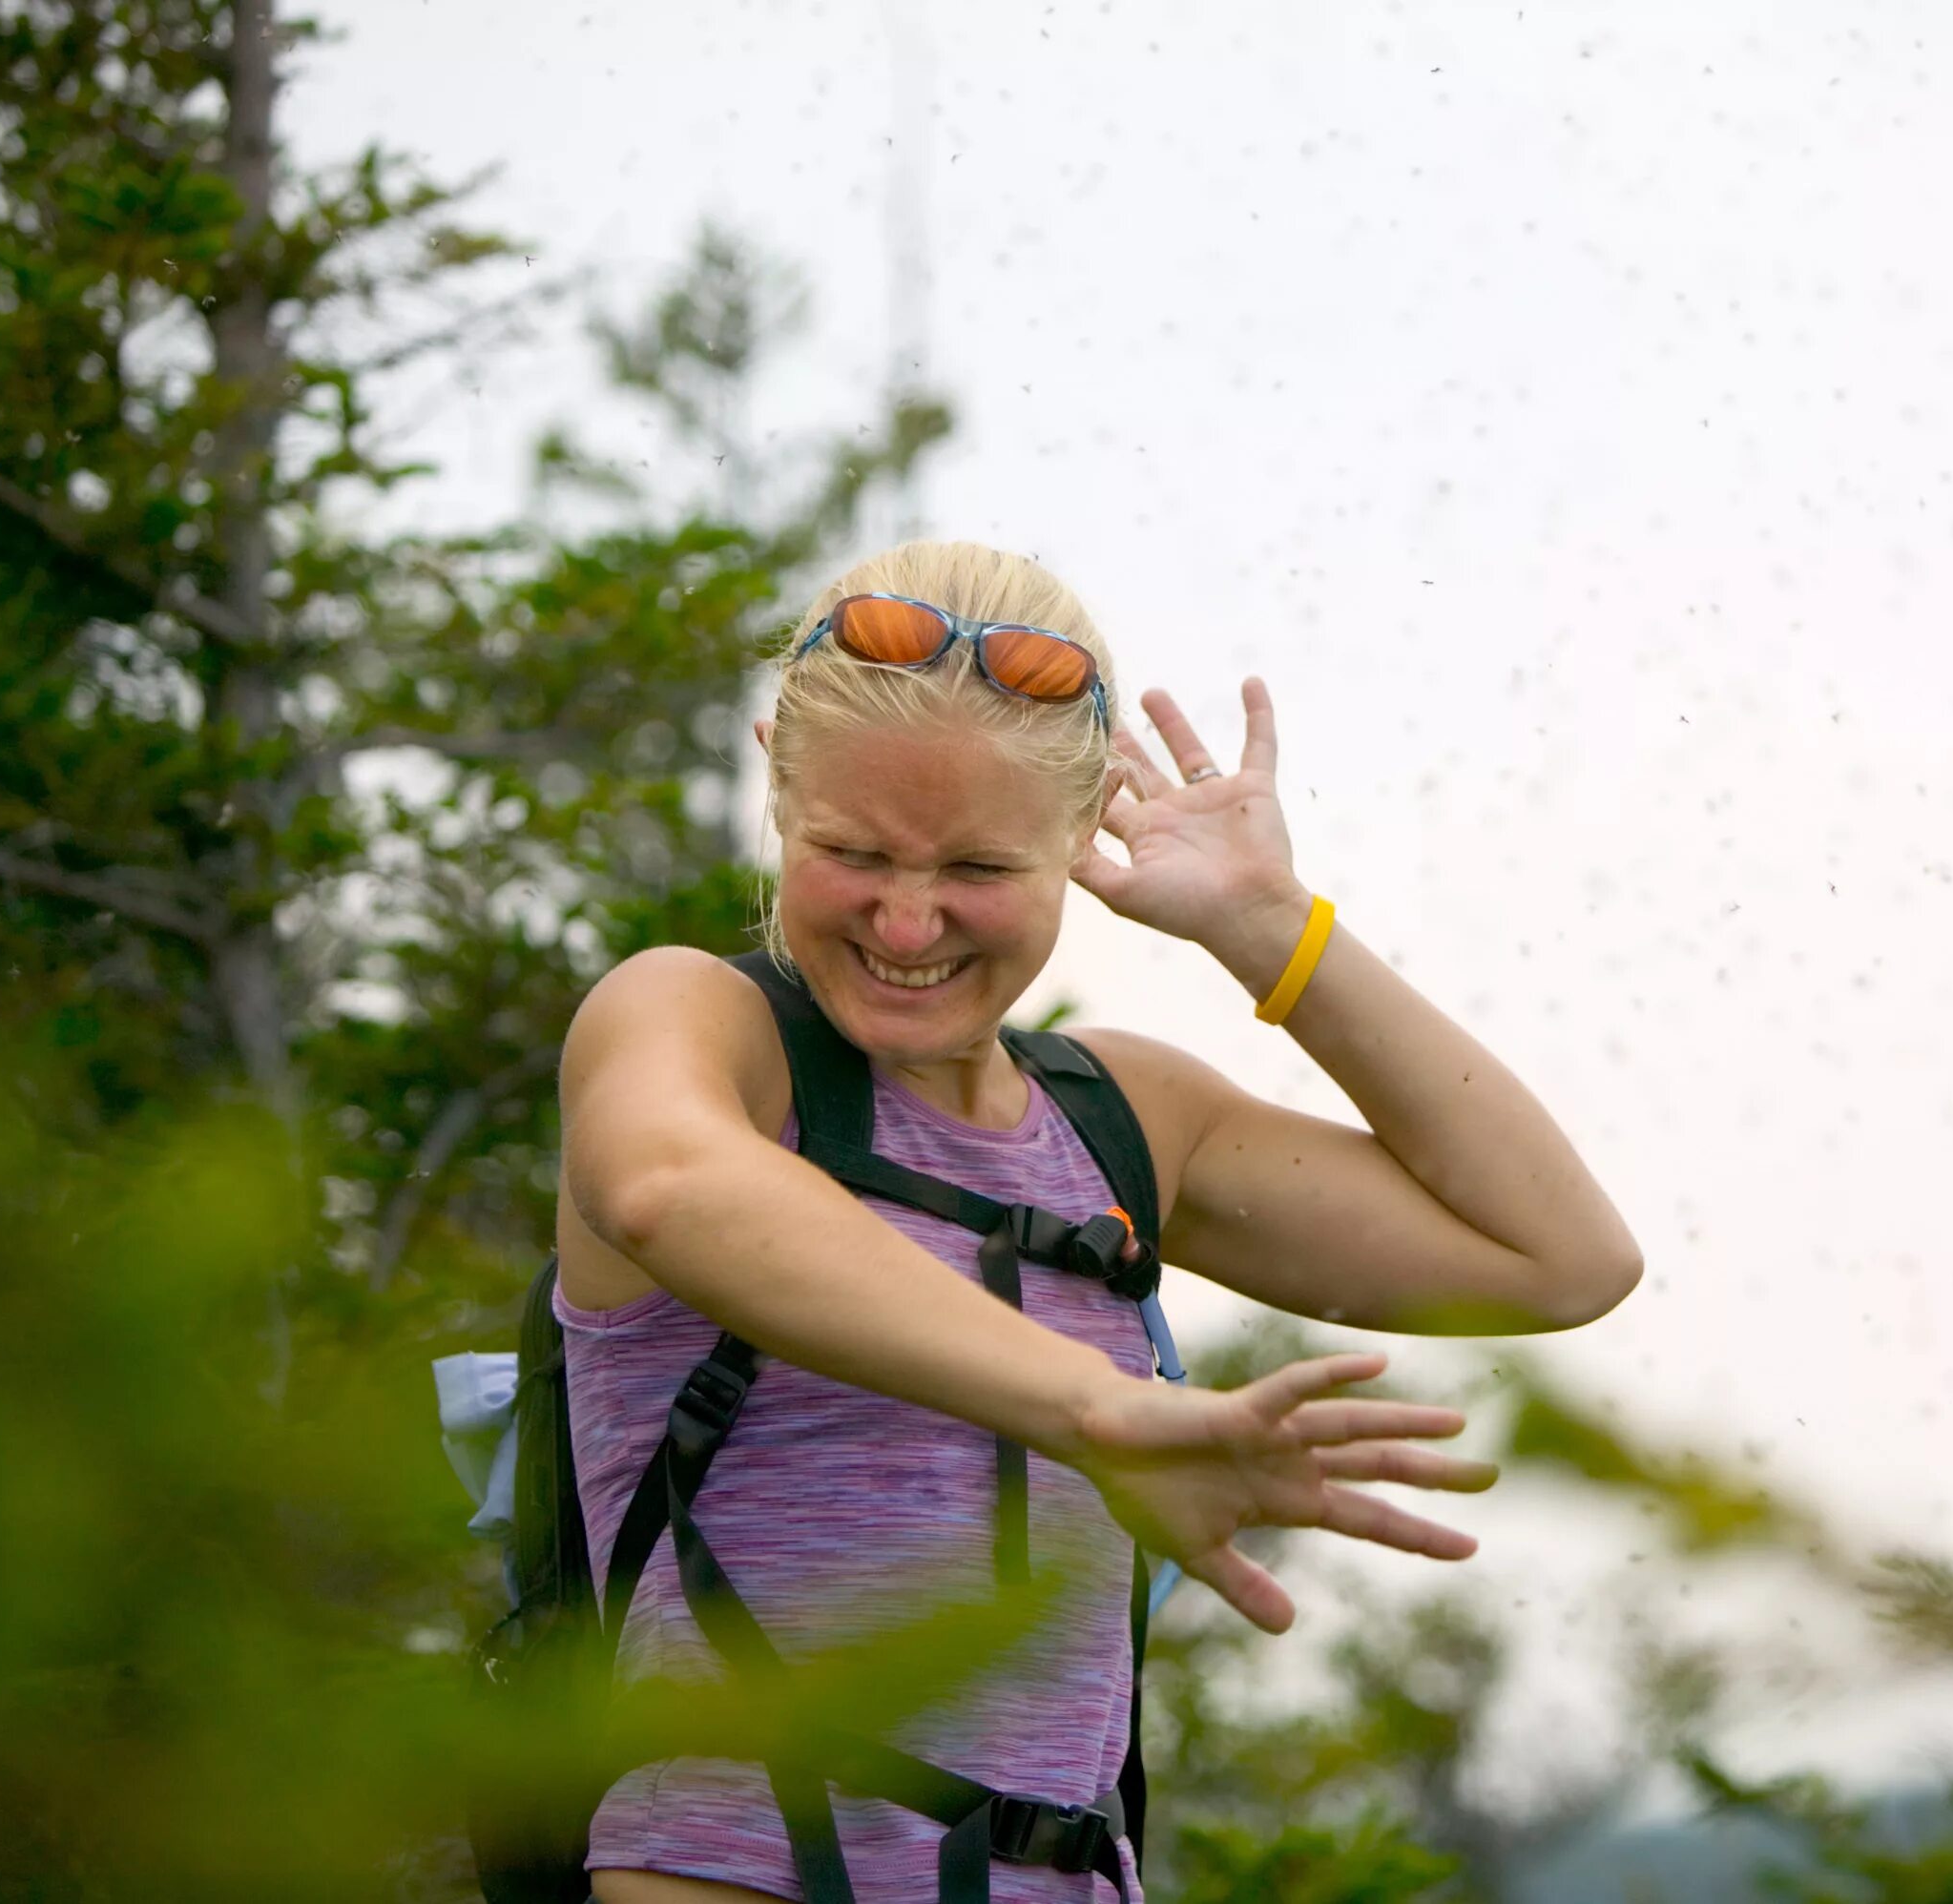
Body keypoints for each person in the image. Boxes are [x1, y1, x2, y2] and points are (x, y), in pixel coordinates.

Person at [555, 540, 1643, 1903]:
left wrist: (1270, 930)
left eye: (977, 866)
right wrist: (1101, 1406)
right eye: (852, 853)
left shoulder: (1123, 1123)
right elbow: (672, 1188)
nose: (906, 918)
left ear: (1083, 838)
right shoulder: (697, 1027)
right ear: (776, 781)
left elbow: (1560, 1258)